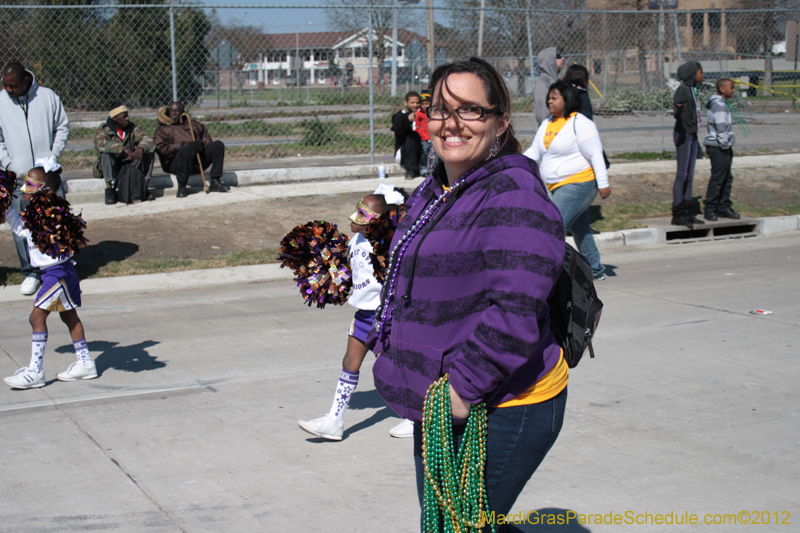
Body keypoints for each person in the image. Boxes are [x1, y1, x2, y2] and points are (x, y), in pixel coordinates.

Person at [367, 57, 567, 530]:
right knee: (445, 522)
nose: (451, 123)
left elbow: (515, 312)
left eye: (470, 109)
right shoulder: (435, 189)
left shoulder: (512, 192)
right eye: (439, 109)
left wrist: (460, 390)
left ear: (500, 122)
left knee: (459, 527)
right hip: (438, 400)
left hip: (502, 402)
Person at [298, 186, 414, 440]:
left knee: (393, 367)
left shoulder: (389, 243)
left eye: (364, 213)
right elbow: (348, 273)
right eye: (357, 210)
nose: (354, 217)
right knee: (349, 362)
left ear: (380, 221)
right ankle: (334, 421)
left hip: (385, 316)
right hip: (363, 315)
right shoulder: (355, 240)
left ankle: (414, 417)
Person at [2, 166, 97, 389]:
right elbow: (18, 226)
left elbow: (66, 242)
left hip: (58, 274)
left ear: (45, 190)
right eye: (24, 183)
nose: (25, 188)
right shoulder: (33, 217)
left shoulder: (54, 216)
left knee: (36, 318)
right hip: (56, 274)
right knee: (69, 318)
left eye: (31, 184)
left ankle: (35, 371)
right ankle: (86, 363)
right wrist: (3, 202)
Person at [524, 80, 610, 281]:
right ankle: (595, 270)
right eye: (549, 98)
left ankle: (545, 273)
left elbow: (596, 153)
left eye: (554, 98)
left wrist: (603, 183)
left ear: (567, 99)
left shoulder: (580, 123)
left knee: (553, 227)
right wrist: (513, 164)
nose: (549, 102)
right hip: (554, 185)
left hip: (580, 183)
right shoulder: (547, 123)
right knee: (580, 230)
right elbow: (535, 152)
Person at [0, 62, 70, 296]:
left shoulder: (47, 97)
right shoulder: (1, 101)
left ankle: (60, 265)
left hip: (47, 176)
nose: (8, 89)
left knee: (55, 220)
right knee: (22, 226)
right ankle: (31, 271)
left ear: (25, 81)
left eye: (13, 85)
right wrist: (9, 163)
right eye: (5, 85)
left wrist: (53, 155)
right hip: (20, 176)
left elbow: (62, 127)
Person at [154, 101, 227, 198]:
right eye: (171, 110)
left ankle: (215, 180)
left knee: (218, 145)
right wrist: (183, 145)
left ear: (183, 112)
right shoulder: (162, 129)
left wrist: (205, 141)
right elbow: (161, 149)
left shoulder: (194, 125)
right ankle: (182, 186)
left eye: (177, 111)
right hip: (176, 163)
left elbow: (207, 138)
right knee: (186, 149)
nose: (174, 113)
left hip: (197, 162)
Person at [94, 103, 156, 205]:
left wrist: (140, 148)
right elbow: (100, 144)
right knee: (105, 154)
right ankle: (110, 190)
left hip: (129, 164)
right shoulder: (104, 129)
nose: (127, 119)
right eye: (124, 117)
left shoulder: (132, 128)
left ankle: (144, 186)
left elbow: (148, 139)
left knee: (149, 151)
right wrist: (123, 150)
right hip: (114, 165)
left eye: (127, 116)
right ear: (115, 118)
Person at [672, 60, 705, 227]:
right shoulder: (683, 90)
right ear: (692, 74)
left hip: (692, 134)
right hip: (684, 134)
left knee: (690, 176)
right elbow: (677, 109)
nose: (702, 75)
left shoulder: (694, 90)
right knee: (682, 175)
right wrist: (685, 122)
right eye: (700, 72)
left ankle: (688, 211)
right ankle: (678, 213)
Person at [703, 78, 740, 221]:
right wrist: (724, 145)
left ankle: (723, 206)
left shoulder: (722, 104)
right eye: (731, 87)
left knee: (727, 178)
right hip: (718, 146)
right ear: (723, 89)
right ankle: (710, 209)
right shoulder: (719, 106)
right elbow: (721, 127)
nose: (733, 90)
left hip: (723, 146)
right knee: (718, 178)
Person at [391, 91, 422, 179]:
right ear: (406, 103)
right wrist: (408, 118)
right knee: (413, 136)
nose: (415, 105)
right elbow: (398, 124)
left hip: (421, 150)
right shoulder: (399, 116)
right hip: (404, 153)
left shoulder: (423, 115)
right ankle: (410, 170)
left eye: (417, 102)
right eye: (412, 102)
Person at [533, 47, 564, 126]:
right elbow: (542, 112)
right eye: (558, 56)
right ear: (549, 60)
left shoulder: (556, 81)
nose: (562, 58)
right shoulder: (543, 83)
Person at [415, 92, 435, 175]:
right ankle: (423, 168)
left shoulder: (433, 113)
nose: (425, 106)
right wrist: (417, 132)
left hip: (432, 137)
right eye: (423, 104)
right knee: (424, 153)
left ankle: (433, 168)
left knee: (433, 154)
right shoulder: (419, 113)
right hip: (423, 137)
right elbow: (416, 125)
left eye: (427, 104)